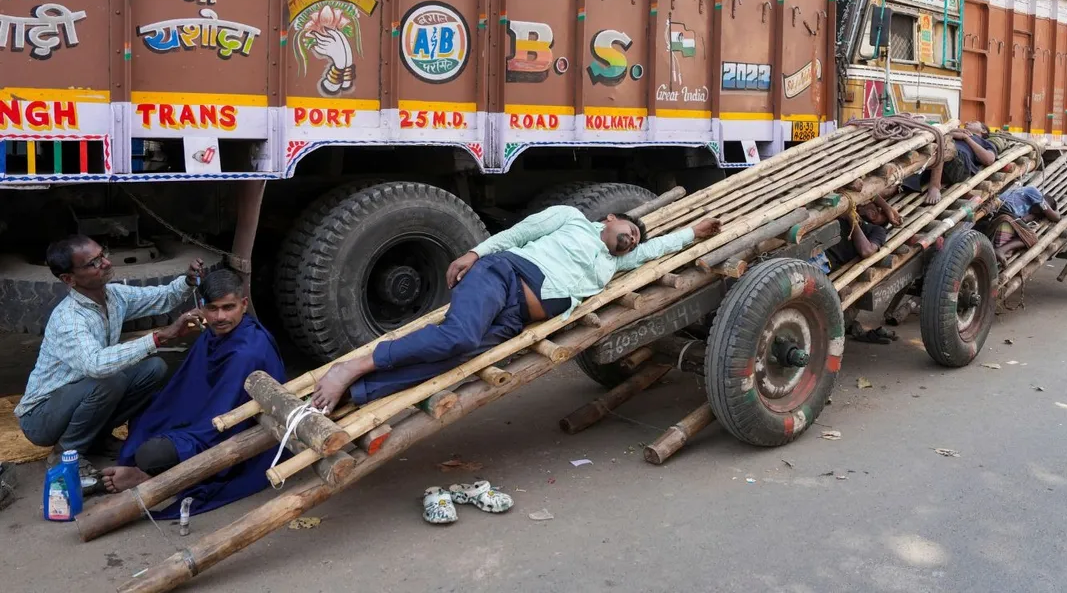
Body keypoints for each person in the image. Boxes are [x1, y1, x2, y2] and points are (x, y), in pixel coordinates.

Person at [309, 208, 722, 410]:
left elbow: (657, 248)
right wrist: (473, 253)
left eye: (634, 240)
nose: (632, 240)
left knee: (455, 358)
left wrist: (693, 233)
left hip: (514, 319)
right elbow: (519, 232)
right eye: (629, 230)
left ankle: (358, 394)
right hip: (500, 275)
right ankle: (353, 367)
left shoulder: (613, 263)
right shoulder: (573, 220)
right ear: (609, 218)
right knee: (459, 336)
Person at [15, 236, 204, 493]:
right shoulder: (69, 319)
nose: (105, 263)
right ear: (69, 279)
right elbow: (96, 365)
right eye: (93, 263)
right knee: (109, 380)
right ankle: (64, 454)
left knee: (154, 369)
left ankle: (96, 439)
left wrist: (189, 281)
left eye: (103, 254)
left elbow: (163, 297)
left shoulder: (113, 296)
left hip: (80, 397)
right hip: (40, 417)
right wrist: (161, 336)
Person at [101, 270, 287, 516]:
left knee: (151, 454)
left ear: (243, 305)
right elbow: (183, 390)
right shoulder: (214, 333)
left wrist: (182, 439)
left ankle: (146, 476)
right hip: (201, 419)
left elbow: (223, 424)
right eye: (212, 308)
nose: (220, 317)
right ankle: (150, 470)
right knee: (146, 415)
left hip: (227, 430)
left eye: (228, 307)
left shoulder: (247, 353)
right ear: (201, 307)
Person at [905, 122, 998, 204]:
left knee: (944, 142)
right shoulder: (957, 132)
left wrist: (966, 138)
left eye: (973, 122)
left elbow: (989, 159)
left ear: (983, 130)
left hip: (959, 164)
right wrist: (954, 133)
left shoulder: (985, 143)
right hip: (934, 162)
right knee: (934, 139)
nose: (967, 122)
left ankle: (935, 186)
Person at [983, 186, 1060, 264]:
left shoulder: (1024, 198)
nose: (1039, 211)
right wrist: (1056, 210)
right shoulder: (1036, 193)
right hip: (1005, 208)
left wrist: (1031, 216)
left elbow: (1023, 220)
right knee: (1032, 237)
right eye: (1042, 211)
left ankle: (1001, 249)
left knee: (1021, 234)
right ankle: (1001, 250)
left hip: (999, 211)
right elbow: (1056, 217)